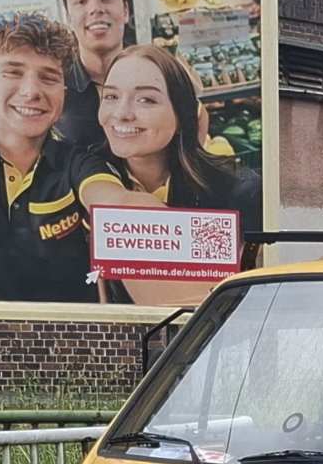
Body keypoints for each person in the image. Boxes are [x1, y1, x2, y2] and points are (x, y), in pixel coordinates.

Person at [0, 17, 165, 303]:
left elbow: (113, 201)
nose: (31, 91)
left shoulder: (79, 163)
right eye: (13, 72)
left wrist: (155, 221)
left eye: (48, 77)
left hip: (74, 344)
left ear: (63, 93)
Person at [97, 44, 264, 304]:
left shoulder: (238, 192)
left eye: (146, 100)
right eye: (111, 97)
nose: (121, 114)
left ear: (181, 115)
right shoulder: (86, 179)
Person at [52, 0, 130, 150]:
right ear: (68, 17)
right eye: (81, 1)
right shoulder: (53, 86)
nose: (95, 9)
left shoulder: (159, 75)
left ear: (125, 10)